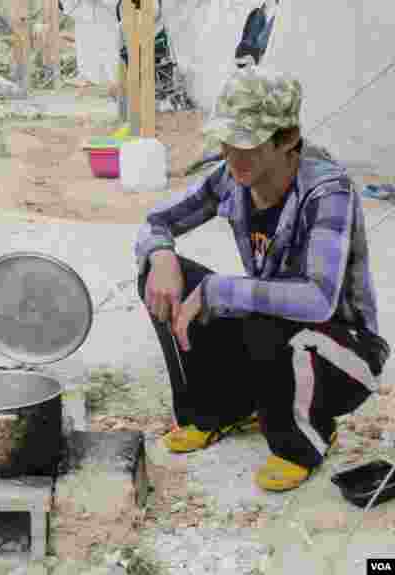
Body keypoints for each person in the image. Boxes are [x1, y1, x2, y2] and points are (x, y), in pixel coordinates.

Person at [134, 64, 390, 492]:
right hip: (275, 333)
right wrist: (161, 255)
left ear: (287, 139)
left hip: (346, 352)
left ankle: (303, 440)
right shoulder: (231, 177)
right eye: (228, 142)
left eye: (248, 145)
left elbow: (317, 301)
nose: (234, 156)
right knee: (159, 275)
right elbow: (155, 223)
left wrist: (217, 290)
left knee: (262, 312)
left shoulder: (329, 192)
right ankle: (220, 410)